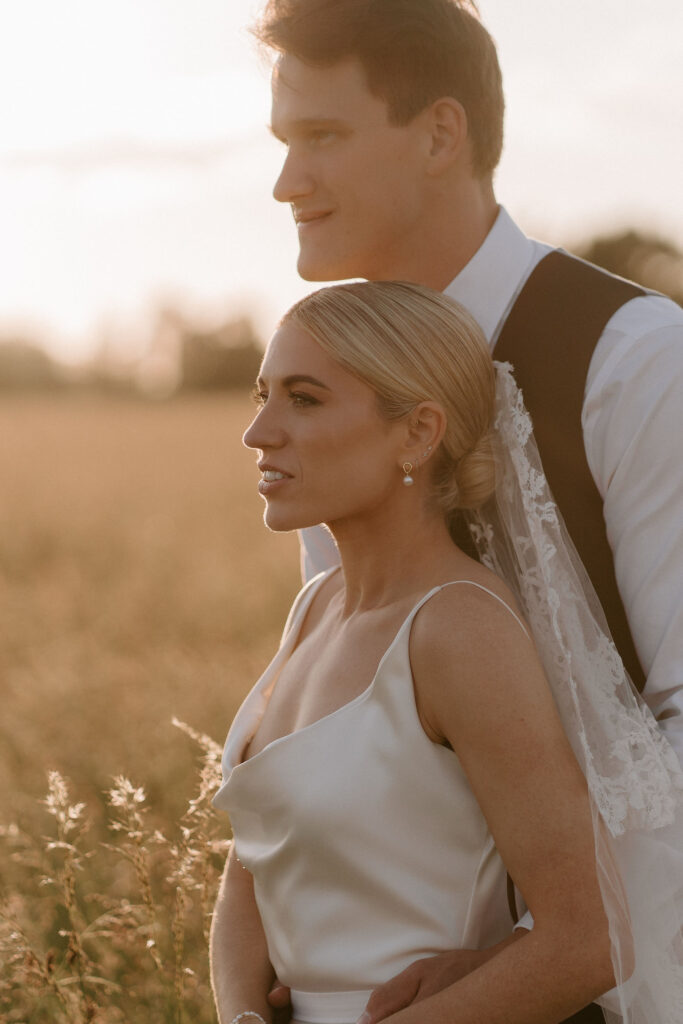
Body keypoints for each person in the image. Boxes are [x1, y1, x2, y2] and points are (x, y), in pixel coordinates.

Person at [247, 3, 683, 1017]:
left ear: (440, 134)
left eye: (322, 138)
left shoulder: (634, 358)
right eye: (283, 141)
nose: (285, 183)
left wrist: (528, 956)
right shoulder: (330, 394)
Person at [209, 281, 683, 1024]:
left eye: (302, 399)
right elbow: (249, 869)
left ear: (417, 433)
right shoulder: (315, 608)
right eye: (260, 394)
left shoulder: (457, 631)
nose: (258, 432)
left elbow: (592, 939)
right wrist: (239, 1011)